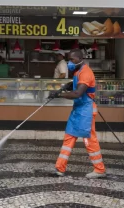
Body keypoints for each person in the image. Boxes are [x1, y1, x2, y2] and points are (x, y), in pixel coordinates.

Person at [48, 49, 106, 179]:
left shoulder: (86, 72)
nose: (70, 62)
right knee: (69, 136)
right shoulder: (78, 71)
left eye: (72, 60)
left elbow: (77, 93)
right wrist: (67, 86)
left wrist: (58, 94)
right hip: (78, 109)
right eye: (69, 59)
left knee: (89, 140)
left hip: (86, 110)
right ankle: (60, 168)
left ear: (80, 59)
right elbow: (75, 84)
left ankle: (99, 169)